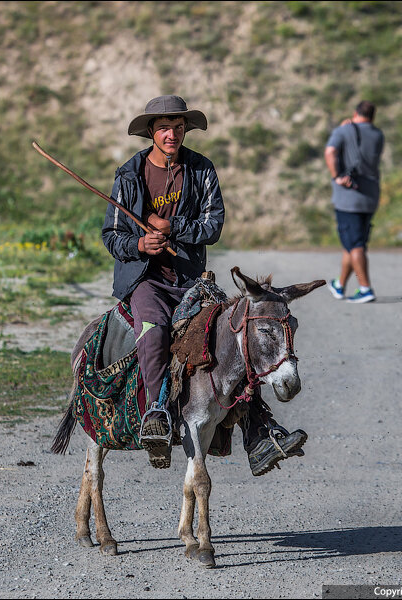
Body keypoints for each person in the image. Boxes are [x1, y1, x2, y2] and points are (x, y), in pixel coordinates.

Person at [102, 94, 306, 474]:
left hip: (192, 280)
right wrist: (141, 244)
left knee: (236, 334)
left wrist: (172, 227)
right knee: (155, 330)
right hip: (148, 281)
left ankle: (260, 433)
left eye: (179, 128)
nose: (172, 134)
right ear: (151, 131)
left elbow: (213, 226)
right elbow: (112, 235)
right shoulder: (128, 175)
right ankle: (156, 414)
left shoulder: (201, 170)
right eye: (164, 128)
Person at [324, 100, 385, 304]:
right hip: (370, 196)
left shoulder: (343, 131)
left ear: (355, 112)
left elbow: (330, 152)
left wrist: (336, 177)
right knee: (353, 244)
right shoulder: (378, 135)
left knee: (355, 244)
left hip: (349, 198)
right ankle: (339, 285)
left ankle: (365, 288)